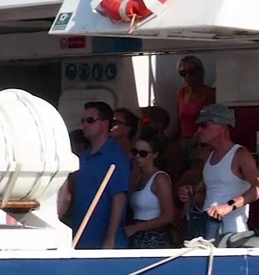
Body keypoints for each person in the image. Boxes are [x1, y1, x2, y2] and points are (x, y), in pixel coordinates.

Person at [182, 103, 259, 239]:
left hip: (233, 233)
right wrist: (190, 193)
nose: (199, 130)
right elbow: (206, 193)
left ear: (221, 126)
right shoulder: (209, 157)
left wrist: (229, 206)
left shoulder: (240, 154)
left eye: (204, 125)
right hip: (209, 230)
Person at [62, 101, 129, 249]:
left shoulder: (116, 156)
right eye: (83, 120)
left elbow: (119, 199)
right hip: (81, 236)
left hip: (103, 240)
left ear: (105, 124)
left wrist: (110, 239)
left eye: (90, 120)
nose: (85, 124)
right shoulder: (83, 157)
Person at [124, 134, 178, 249]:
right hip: (137, 235)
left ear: (155, 155)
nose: (137, 156)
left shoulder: (160, 178)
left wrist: (137, 227)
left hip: (155, 236)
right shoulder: (138, 177)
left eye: (143, 153)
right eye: (134, 152)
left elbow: (169, 216)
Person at [172, 55, 217, 139]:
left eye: (191, 71)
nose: (187, 76)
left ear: (200, 72)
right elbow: (179, 122)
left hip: (203, 141)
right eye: (183, 73)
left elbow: (211, 124)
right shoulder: (181, 93)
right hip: (184, 140)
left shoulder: (210, 94)